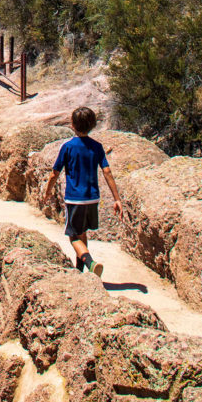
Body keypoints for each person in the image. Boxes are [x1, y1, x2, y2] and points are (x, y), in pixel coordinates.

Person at [42, 106, 122, 279]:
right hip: (93, 199)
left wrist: (47, 191)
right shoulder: (97, 147)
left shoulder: (68, 147)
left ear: (72, 124)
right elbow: (107, 172)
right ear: (93, 124)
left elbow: (54, 173)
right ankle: (80, 271)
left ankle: (90, 263)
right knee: (82, 233)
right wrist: (117, 199)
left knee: (73, 236)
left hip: (75, 199)